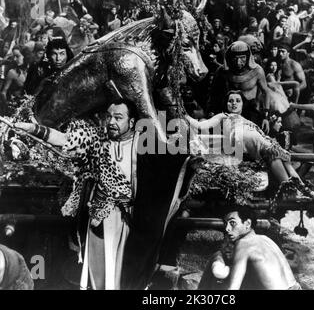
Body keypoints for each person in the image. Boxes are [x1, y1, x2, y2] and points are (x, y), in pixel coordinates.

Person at [14, 97, 189, 290]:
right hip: (100, 215)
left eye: (118, 117)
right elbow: (64, 139)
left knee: (126, 272)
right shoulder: (96, 138)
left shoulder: (144, 144)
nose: (111, 122)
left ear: (131, 122)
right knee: (99, 272)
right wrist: (33, 129)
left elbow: (171, 167)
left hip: (130, 220)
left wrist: (189, 160)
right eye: (109, 116)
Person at [199, 205, 300, 290]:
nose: (227, 228)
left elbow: (232, 289)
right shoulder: (265, 239)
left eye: (232, 223)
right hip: (295, 287)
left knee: (216, 264)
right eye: (226, 224)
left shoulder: (243, 244)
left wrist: (218, 257)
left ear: (247, 223)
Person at [207, 41, 271, 133]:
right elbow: (213, 93)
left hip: (250, 112)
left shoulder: (257, 71)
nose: (238, 62)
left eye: (242, 58)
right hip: (227, 112)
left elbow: (266, 92)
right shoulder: (222, 71)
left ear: (248, 57)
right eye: (235, 58)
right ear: (230, 57)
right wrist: (211, 112)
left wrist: (266, 117)